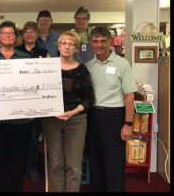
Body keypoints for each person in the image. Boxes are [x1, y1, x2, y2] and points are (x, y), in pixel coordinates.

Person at [0, 21, 33, 192]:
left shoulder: (25, 58)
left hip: (19, 123)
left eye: (11, 33)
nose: (8, 36)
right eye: (4, 33)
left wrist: (33, 110)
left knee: (16, 166)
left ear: (16, 37)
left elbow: (32, 87)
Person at [41, 30, 95, 192]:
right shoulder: (47, 68)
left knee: (73, 164)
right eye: (64, 43)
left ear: (76, 48)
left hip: (75, 121)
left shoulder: (82, 70)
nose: (67, 46)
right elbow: (38, 91)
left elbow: (89, 99)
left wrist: (73, 112)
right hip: (51, 120)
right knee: (55, 162)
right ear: (58, 46)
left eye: (71, 44)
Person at [85, 26, 137, 192]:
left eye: (102, 41)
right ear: (91, 43)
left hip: (114, 117)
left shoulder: (122, 64)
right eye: (95, 41)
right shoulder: (88, 65)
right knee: (96, 159)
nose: (99, 44)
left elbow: (129, 96)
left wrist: (128, 123)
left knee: (114, 162)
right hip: (93, 117)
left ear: (110, 42)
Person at [15, 21, 48, 182]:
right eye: (26, 31)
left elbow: (47, 77)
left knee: (33, 137)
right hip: (18, 100)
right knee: (18, 137)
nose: (29, 34)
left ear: (37, 34)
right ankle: (18, 168)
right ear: (23, 35)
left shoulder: (44, 52)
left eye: (32, 31)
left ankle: (32, 168)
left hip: (36, 101)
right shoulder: (16, 51)